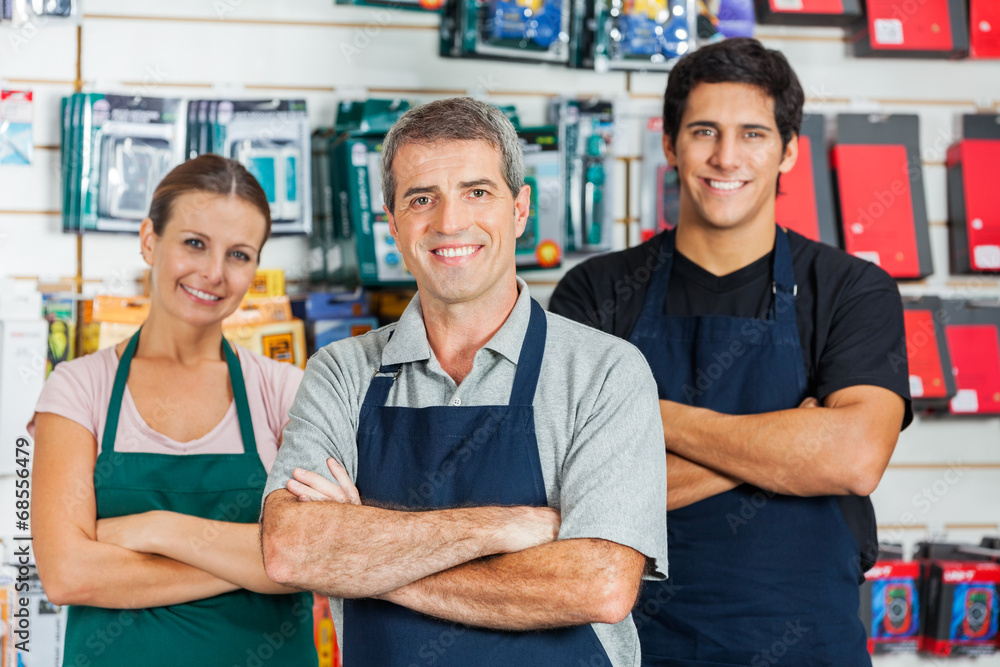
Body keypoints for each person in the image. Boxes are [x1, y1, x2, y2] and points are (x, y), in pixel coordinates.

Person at [260, 97, 668, 666]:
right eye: (422, 198)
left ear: (520, 210)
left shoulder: (604, 373)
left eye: (477, 192)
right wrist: (506, 526)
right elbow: (291, 551)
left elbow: (597, 585)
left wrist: (361, 563)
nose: (449, 222)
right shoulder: (340, 373)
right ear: (392, 223)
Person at [549, 38, 912, 666]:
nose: (726, 157)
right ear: (669, 144)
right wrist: (795, 443)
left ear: (789, 151)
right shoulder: (597, 291)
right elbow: (569, 489)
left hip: (808, 647)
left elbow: (853, 458)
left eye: (752, 134)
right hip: (633, 644)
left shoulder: (853, 289)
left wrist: (646, 418)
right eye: (704, 131)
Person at [30, 155, 318, 667]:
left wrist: (157, 528)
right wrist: (262, 561)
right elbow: (68, 574)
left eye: (239, 254)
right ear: (149, 240)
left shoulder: (284, 391)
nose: (213, 272)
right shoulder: (78, 389)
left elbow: (318, 554)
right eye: (194, 243)